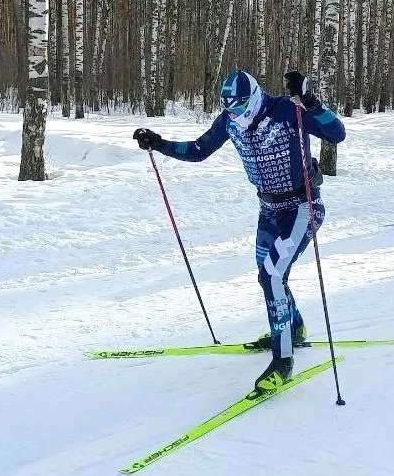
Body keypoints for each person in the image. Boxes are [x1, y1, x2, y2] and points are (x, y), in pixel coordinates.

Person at [132, 69, 345, 395]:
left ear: (255, 97)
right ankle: (295, 328)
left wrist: (310, 101)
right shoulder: (229, 120)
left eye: (241, 108)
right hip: (269, 209)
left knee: (271, 275)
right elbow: (200, 150)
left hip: (303, 206)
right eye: (230, 109)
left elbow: (336, 134)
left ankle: (283, 360)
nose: (236, 115)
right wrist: (159, 144)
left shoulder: (288, 112)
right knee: (269, 274)